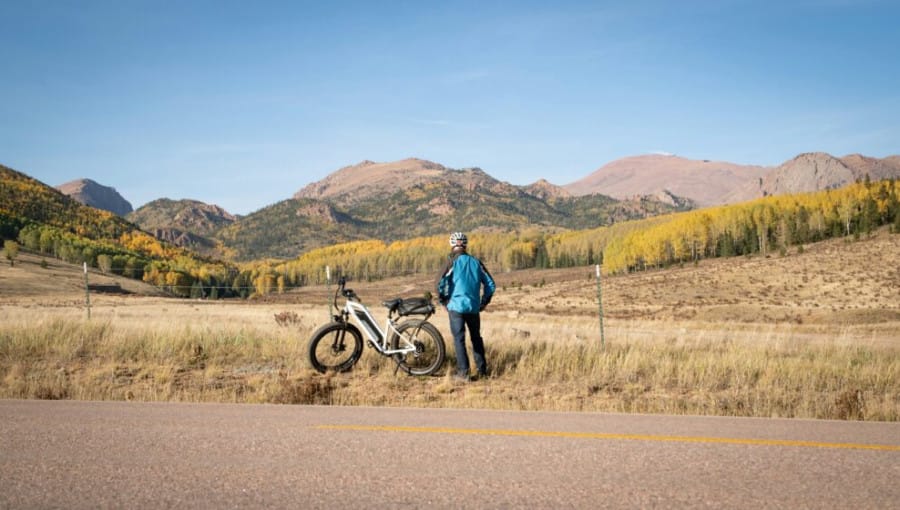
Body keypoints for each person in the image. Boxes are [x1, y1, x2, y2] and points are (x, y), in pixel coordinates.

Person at [436, 232, 496, 381]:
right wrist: (483, 302)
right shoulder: (476, 262)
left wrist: (444, 301)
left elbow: (439, 283)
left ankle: (464, 373)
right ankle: (482, 371)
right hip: (473, 307)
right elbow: (490, 284)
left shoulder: (451, 261)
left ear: (452, 245)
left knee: (459, 339)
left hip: (456, 306)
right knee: (476, 338)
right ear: (465, 245)